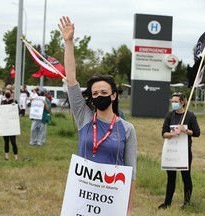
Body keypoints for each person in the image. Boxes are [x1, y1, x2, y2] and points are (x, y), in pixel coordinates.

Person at [58, 16, 137, 216]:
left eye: (104, 93)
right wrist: (68, 42)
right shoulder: (84, 117)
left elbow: (131, 172)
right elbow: (71, 79)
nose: (99, 97)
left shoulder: (127, 129)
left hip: (111, 200)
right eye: (95, 94)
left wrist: (128, 208)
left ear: (114, 95)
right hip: (82, 198)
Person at [158, 92, 200, 209]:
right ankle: (167, 203)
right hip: (172, 151)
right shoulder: (170, 116)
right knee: (171, 178)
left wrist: (185, 130)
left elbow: (197, 133)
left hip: (185, 153)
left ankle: (187, 203)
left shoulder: (190, 116)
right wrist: (172, 134)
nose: (174, 104)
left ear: (183, 102)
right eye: (172, 101)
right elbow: (163, 133)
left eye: (176, 101)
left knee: (186, 178)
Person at [1, 87, 18, 160]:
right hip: (5, 124)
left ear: (11, 93)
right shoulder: (3, 102)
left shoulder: (14, 101)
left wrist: (15, 106)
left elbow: (19, 112)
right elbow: (1, 113)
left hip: (12, 125)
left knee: (13, 141)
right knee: (6, 141)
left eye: (8, 92)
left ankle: (16, 157)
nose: (7, 93)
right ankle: (6, 157)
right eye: (6, 92)